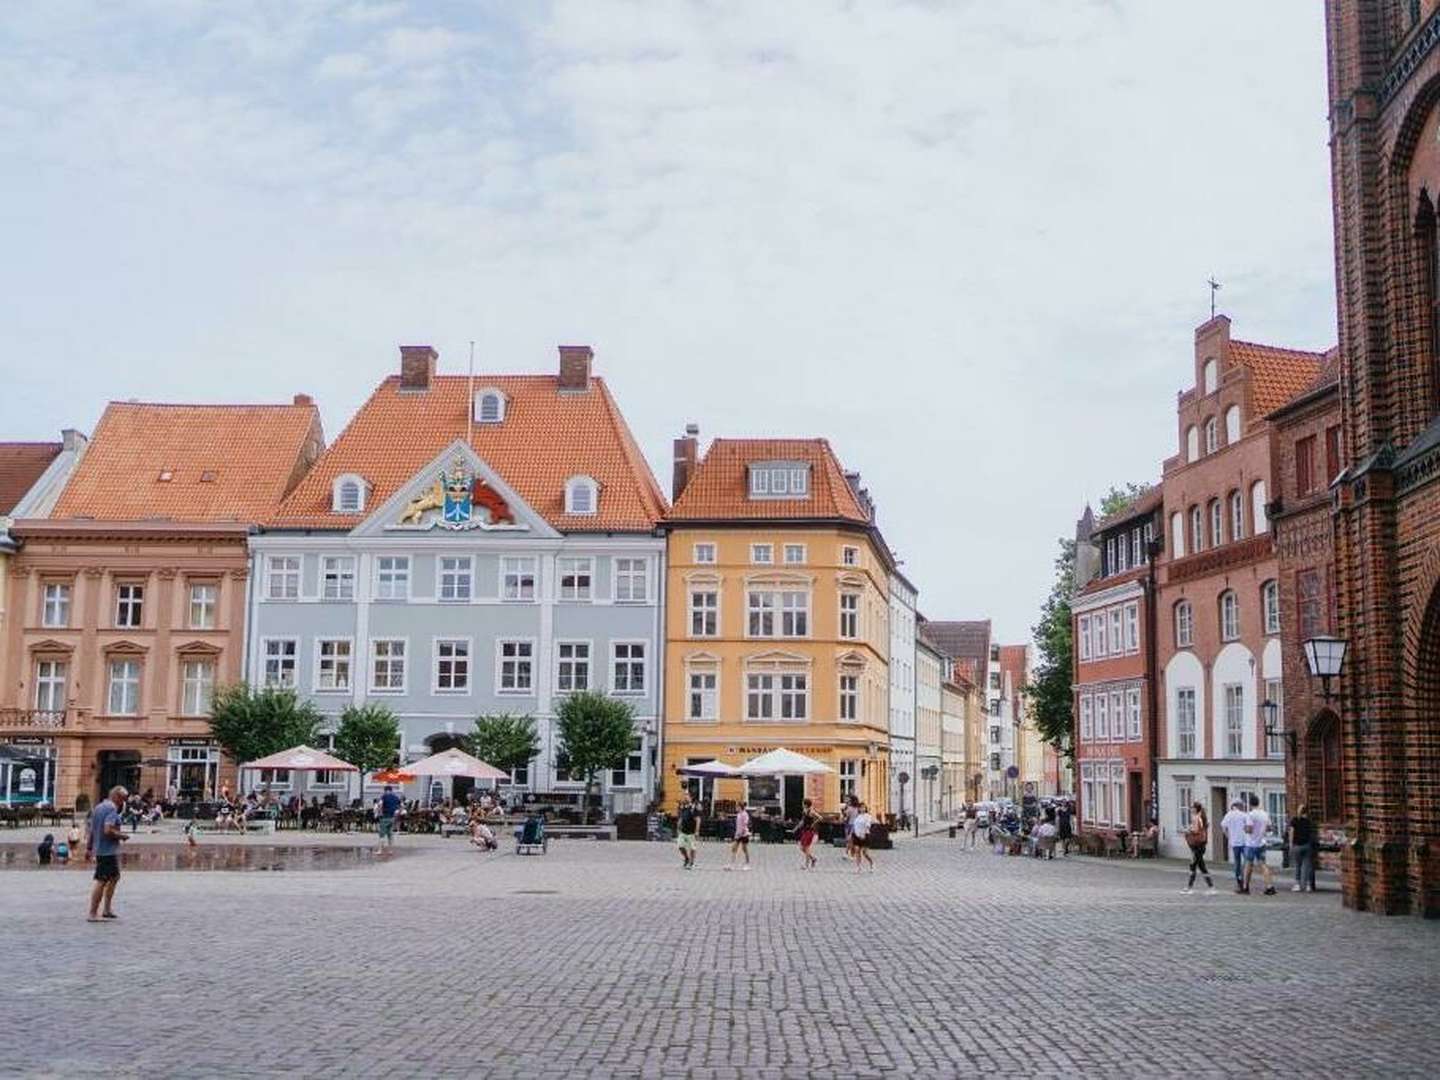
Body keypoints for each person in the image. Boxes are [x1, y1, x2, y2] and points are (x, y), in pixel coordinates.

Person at [86, 785, 130, 922]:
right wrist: (121, 836)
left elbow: (92, 830)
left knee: (115, 877)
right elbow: (107, 829)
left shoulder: (98, 807)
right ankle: (93, 913)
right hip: (107, 851)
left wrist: (89, 848)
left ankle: (107, 909)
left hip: (99, 849)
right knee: (102, 880)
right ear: (116, 796)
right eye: (122, 799)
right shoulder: (111, 808)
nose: (122, 803)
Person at [1243, 794, 1276, 896]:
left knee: (1248, 864)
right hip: (1261, 842)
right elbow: (1270, 828)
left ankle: (1245, 886)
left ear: (1250, 804)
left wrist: (1244, 828)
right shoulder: (1264, 814)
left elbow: (1249, 829)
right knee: (1263, 865)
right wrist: (1262, 831)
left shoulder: (1250, 814)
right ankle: (1269, 886)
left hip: (1251, 843)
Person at [1181, 802, 1217, 895]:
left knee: (1193, 865)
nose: (1191, 809)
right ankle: (1211, 887)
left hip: (1197, 845)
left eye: (1192, 808)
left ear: (1196, 809)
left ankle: (1190, 887)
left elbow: (1196, 830)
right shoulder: (1201, 817)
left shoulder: (1197, 818)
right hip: (1200, 845)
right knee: (1201, 866)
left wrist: (1188, 831)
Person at [1220, 800, 1250, 893]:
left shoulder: (1228, 815)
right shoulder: (1244, 815)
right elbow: (1249, 827)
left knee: (1237, 862)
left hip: (1234, 842)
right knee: (1247, 862)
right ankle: (1246, 882)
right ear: (1239, 806)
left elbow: (1223, 827)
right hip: (1244, 842)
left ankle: (1239, 882)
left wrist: (1228, 837)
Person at [1289, 804, 1317, 893]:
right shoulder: (1309, 821)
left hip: (1297, 845)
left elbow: (1291, 832)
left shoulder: (1294, 820)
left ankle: (1297, 884)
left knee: (1298, 865)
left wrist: (1290, 844)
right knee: (1308, 866)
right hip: (1307, 845)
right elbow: (1312, 834)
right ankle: (1309, 885)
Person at [676, 790, 700, 870]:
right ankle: (686, 858)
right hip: (683, 831)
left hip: (691, 832)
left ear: (691, 797)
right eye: (684, 795)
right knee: (680, 846)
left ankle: (691, 863)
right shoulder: (683, 807)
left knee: (692, 848)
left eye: (687, 795)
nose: (685, 797)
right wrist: (678, 827)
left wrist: (697, 831)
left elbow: (698, 820)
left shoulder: (694, 808)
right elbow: (681, 818)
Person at [795, 799, 821, 870]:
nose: (802, 805)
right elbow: (802, 821)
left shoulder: (811, 811)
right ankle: (813, 859)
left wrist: (813, 824)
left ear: (806, 804)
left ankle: (806, 865)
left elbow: (820, 817)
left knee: (806, 847)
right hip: (805, 830)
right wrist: (796, 828)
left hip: (810, 831)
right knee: (802, 847)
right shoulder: (805, 811)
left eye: (803, 803)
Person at [851, 803, 876, 872]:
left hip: (865, 835)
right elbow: (854, 826)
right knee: (857, 851)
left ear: (865, 808)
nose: (862, 809)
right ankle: (858, 867)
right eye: (860, 808)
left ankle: (871, 863)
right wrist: (852, 834)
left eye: (863, 808)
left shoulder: (867, 816)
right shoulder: (857, 816)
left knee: (865, 853)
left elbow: (867, 826)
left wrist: (863, 834)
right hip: (856, 835)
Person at [727, 805, 753, 870]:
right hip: (738, 834)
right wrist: (737, 834)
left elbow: (745, 824)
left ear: (740, 807)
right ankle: (732, 864)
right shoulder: (738, 814)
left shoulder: (745, 814)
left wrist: (743, 832)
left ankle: (747, 864)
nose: (736, 808)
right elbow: (738, 825)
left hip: (744, 834)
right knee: (734, 848)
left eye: (737, 807)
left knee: (745, 849)